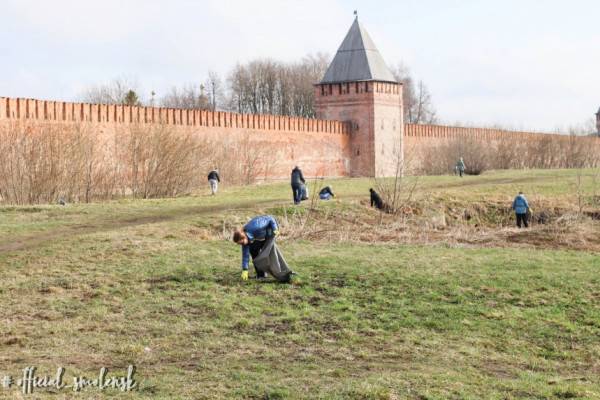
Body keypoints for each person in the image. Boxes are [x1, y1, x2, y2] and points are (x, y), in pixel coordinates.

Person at [232, 215, 294, 282]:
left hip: (270, 231)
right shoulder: (245, 241)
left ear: (244, 237)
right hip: (259, 237)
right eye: (240, 244)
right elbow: (245, 256)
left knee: (270, 251)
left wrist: (275, 229)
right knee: (253, 251)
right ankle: (261, 275)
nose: (242, 244)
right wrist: (245, 270)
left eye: (242, 242)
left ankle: (281, 272)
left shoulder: (256, 226)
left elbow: (270, 218)